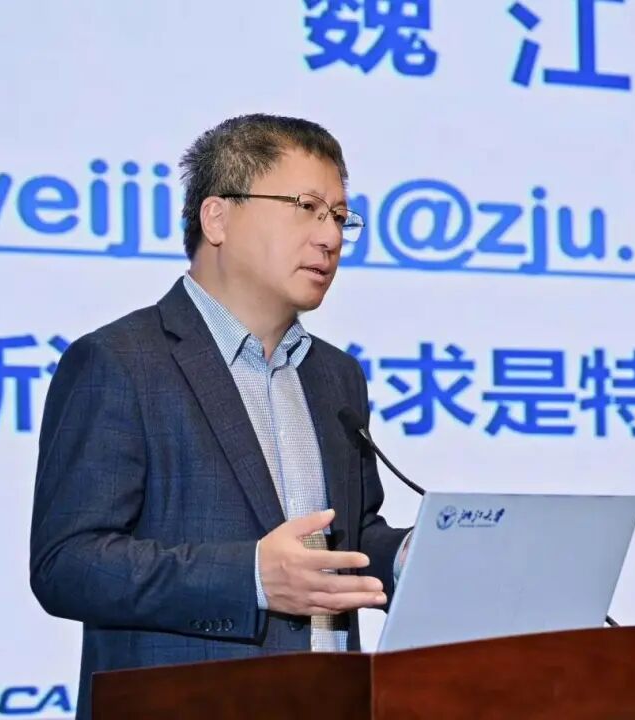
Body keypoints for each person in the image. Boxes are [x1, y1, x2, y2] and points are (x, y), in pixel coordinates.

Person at [28, 113, 412, 720]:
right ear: (217, 218)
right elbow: (68, 564)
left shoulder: (336, 375)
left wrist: (413, 554)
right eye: (307, 208)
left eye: (340, 217)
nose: (330, 237)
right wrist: (250, 578)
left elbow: (346, 540)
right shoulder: (121, 361)